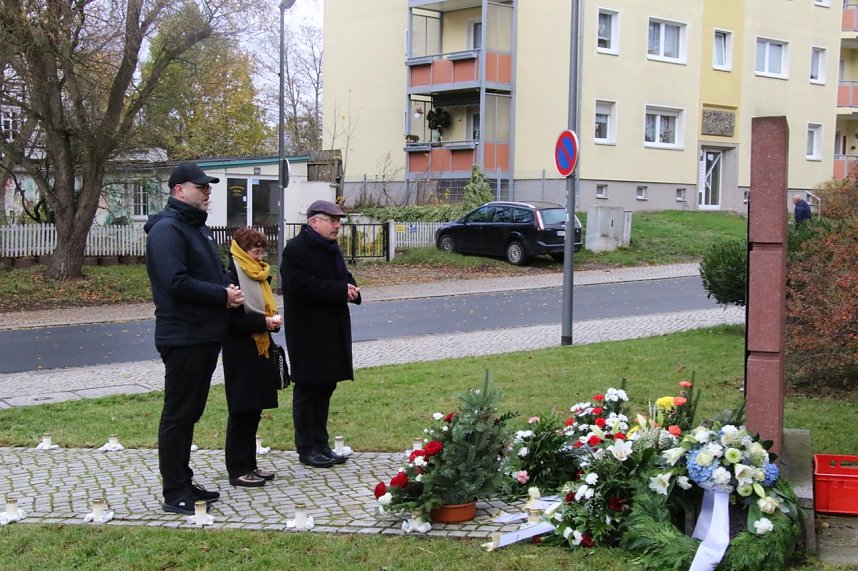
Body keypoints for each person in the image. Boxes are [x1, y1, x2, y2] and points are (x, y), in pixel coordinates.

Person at [144, 162, 244, 515]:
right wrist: (222, 296)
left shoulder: (193, 228)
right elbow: (176, 282)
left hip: (202, 333)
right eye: (200, 186)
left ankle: (184, 480)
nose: (207, 191)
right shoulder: (167, 230)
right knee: (178, 414)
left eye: (208, 187)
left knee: (190, 412)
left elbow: (203, 275)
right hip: (183, 334)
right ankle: (175, 491)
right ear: (178, 190)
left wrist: (224, 288)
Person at [280, 200, 361, 468]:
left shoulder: (331, 248)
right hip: (307, 331)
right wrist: (339, 291)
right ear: (314, 221)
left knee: (326, 385)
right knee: (308, 387)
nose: (337, 225)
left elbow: (342, 274)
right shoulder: (296, 250)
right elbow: (302, 286)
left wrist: (352, 287)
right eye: (332, 220)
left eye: (339, 221)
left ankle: (321, 443)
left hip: (332, 327)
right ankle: (306, 447)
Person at [222, 228, 281, 487]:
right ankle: (237, 468)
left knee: (254, 409)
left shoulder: (260, 275)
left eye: (261, 251)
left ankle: (251, 464)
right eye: (254, 251)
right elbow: (232, 322)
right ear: (241, 251)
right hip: (240, 351)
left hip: (261, 347)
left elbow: (266, 307)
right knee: (241, 410)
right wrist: (264, 322)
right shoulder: (231, 276)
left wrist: (271, 323)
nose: (259, 256)